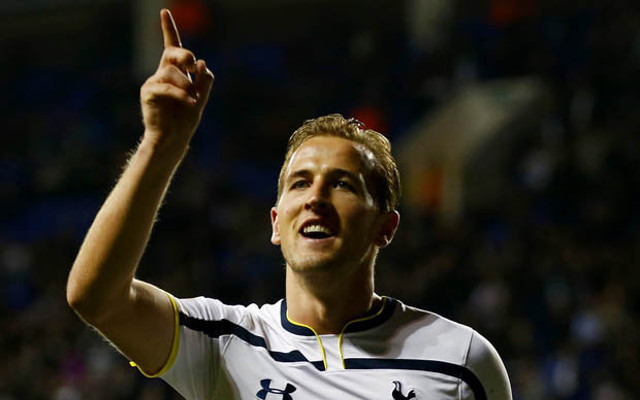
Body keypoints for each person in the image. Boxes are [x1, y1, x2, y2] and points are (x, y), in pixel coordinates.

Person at [66, 9, 512, 400]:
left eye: (342, 185)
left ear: (385, 226)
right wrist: (160, 145)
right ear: (277, 223)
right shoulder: (224, 342)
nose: (316, 197)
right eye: (300, 183)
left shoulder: (462, 361)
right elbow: (96, 298)